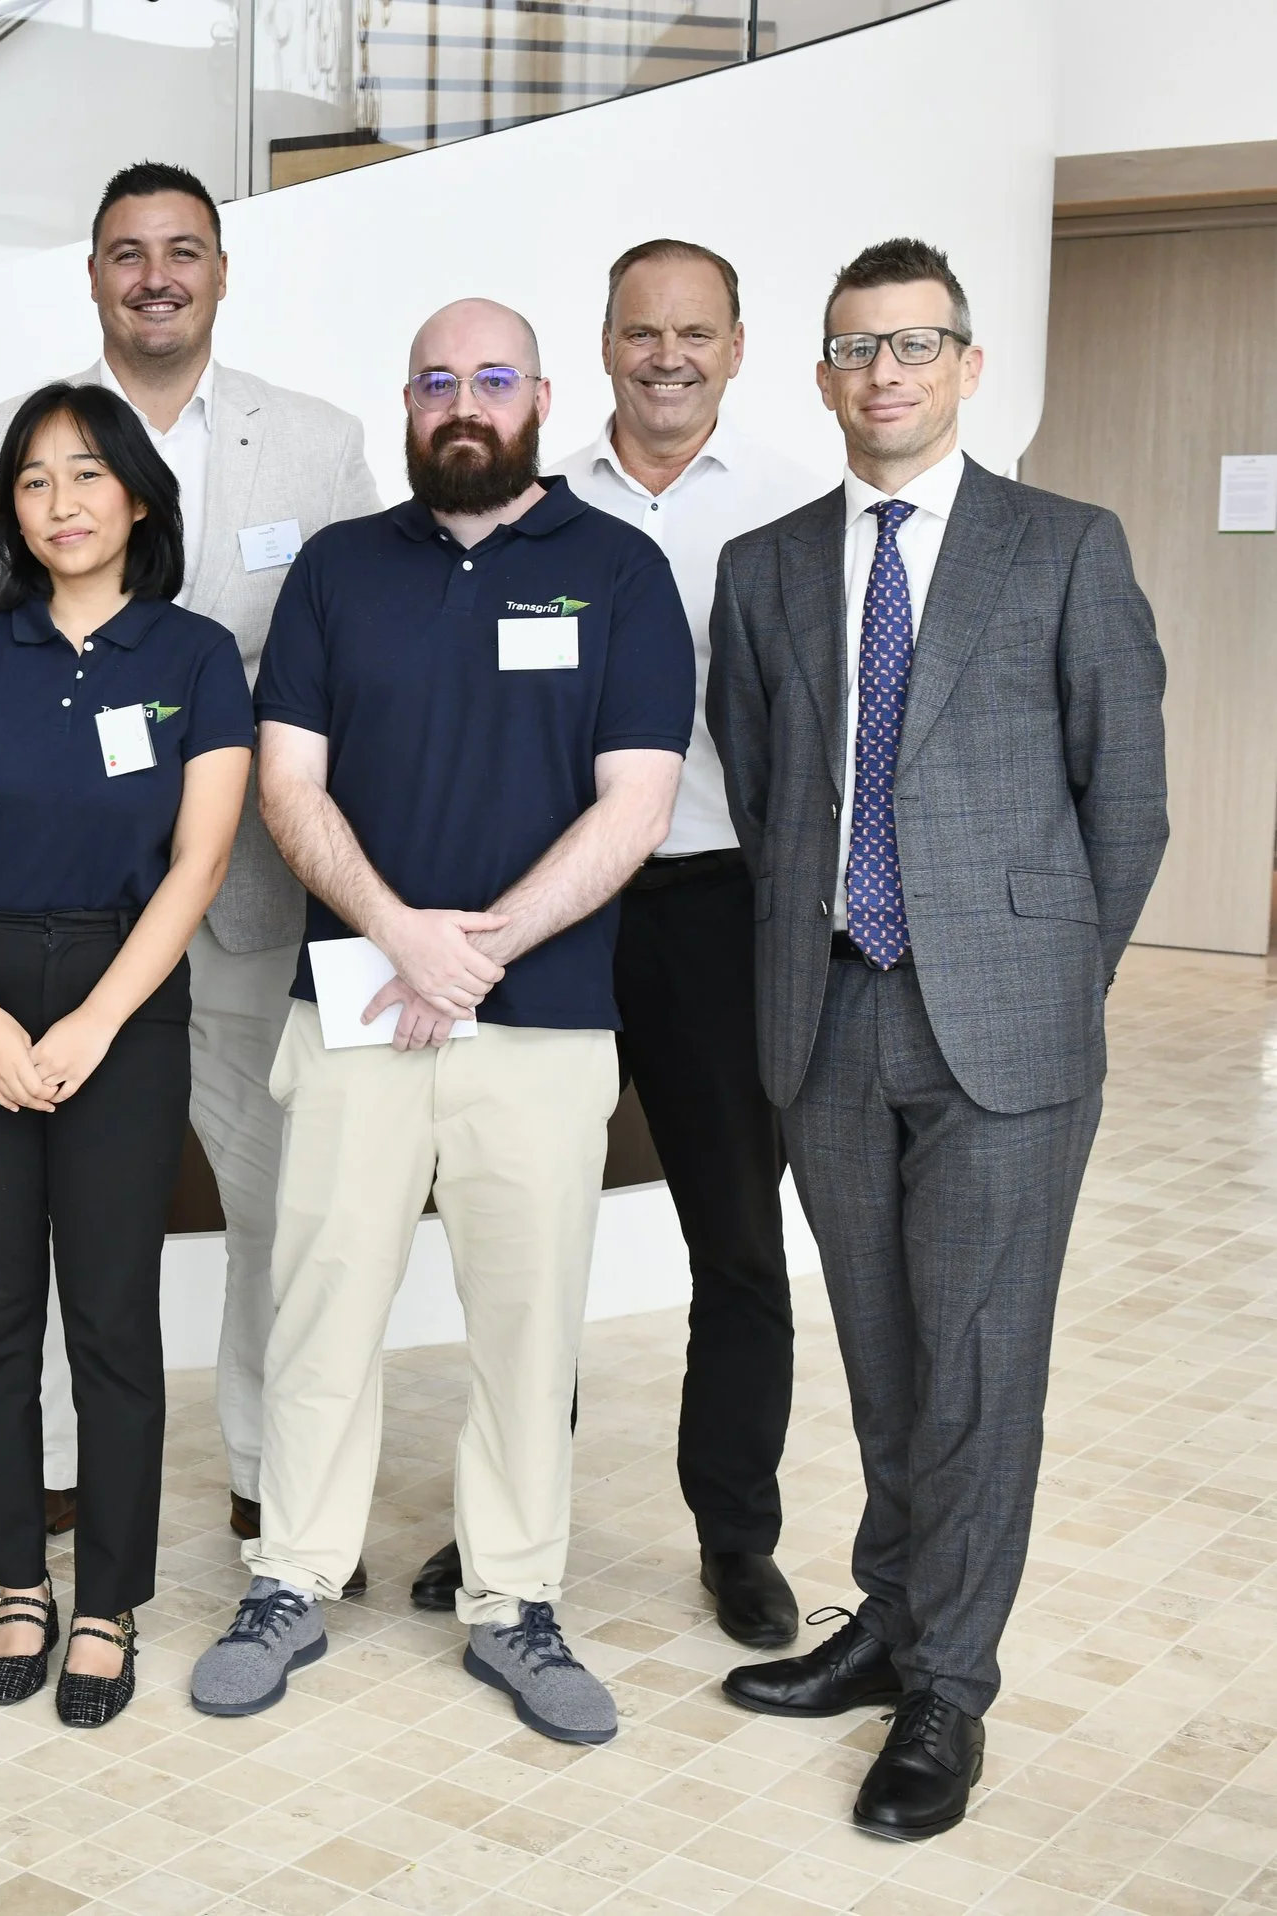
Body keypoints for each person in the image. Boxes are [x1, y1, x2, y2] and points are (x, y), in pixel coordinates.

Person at [707, 239, 1166, 1840]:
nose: (884, 373)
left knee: (981, 1366)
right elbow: (772, 803)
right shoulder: (762, 570)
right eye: (855, 349)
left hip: (1007, 1034)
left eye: (915, 345)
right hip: (827, 1011)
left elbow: (1131, 800)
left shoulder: (1065, 547)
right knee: (890, 1360)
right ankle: (891, 1618)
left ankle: (950, 1694)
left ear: (970, 367)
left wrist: (1047, 976)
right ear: (821, 375)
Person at [188, 299, 693, 1745]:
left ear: (537, 395)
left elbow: (638, 801)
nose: (460, 402)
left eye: (489, 377)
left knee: (529, 1325)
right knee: (319, 1304)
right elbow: (289, 785)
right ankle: (291, 1578)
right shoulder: (343, 572)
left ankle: (516, 1602)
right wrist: (403, 935)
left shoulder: (618, 568)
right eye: (433, 381)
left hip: (542, 1026)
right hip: (353, 1005)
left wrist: (484, 948)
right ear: (405, 404)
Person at [0, 160, 377, 1580]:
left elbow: (353, 661)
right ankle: (40, 1483)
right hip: (31, 909)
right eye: (128, 252)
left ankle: (261, 1474)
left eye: (185, 250)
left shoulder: (317, 441)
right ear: (96, 276)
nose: (157, 274)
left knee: (273, 1199)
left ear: (223, 272)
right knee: (27, 1239)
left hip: (245, 895)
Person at [404, 240, 820, 1642]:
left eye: (697, 332)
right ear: (603, 345)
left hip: (715, 907)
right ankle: (500, 1522)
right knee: (526, 1237)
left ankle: (738, 1537)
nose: (669, 357)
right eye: (643, 332)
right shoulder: (532, 500)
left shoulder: (795, 509)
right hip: (550, 907)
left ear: (739, 346)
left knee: (738, 1241)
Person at [0, 382, 252, 1728]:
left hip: (128, 990)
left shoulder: (196, 655)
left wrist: (97, 1019)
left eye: (88, 475)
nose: (62, 501)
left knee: (110, 1316)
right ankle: (18, 1583)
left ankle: (106, 1598)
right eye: (35, 481)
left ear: (140, 497)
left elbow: (201, 860)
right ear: (11, 511)